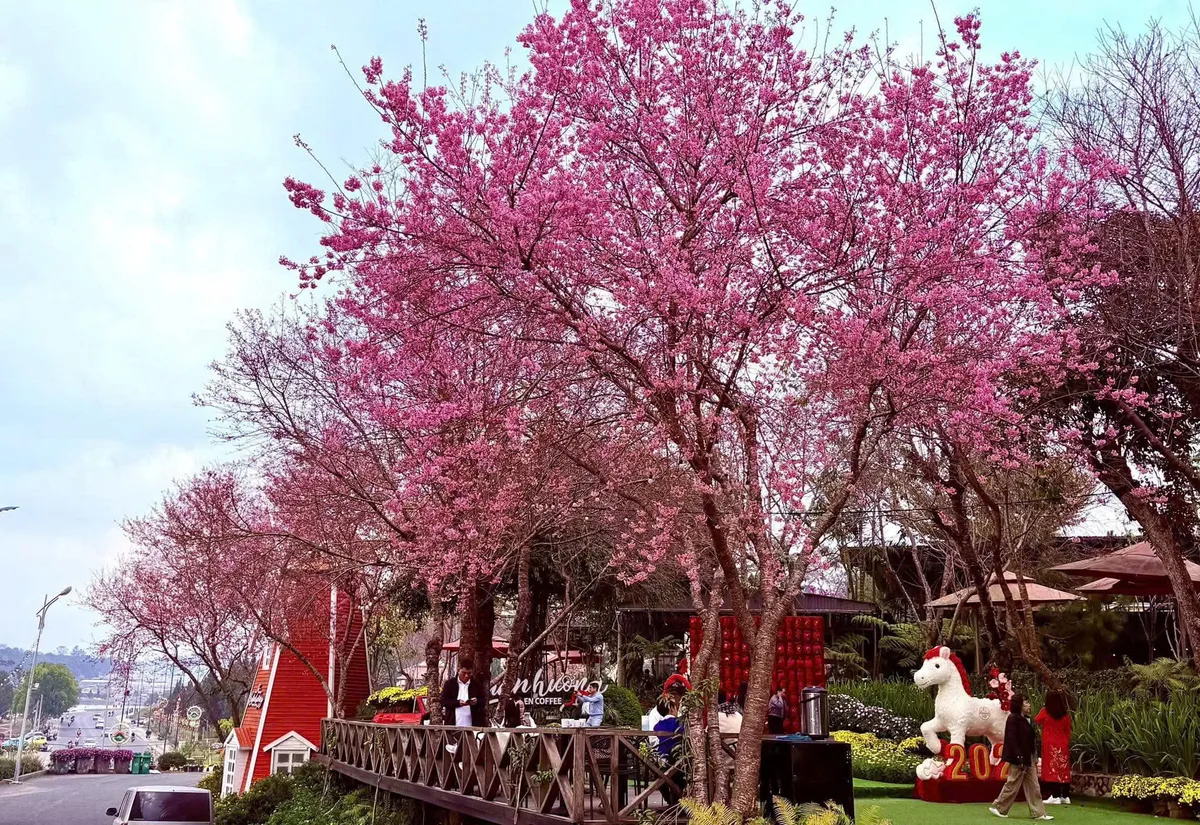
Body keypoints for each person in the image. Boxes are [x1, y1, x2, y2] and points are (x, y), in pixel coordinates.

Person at [991, 693, 1053, 821]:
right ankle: (1000, 807)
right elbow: (1011, 739)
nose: (1028, 705)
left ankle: (1038, 812)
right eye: (1026, 703)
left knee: (1033, 785)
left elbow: (1030, 739)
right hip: (1019, 757)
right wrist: (1019, 757)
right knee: (1013, 782)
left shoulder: (1026, 719)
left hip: (1028, 756)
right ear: (1019, 705)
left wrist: (1034, 756)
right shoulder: (1013, 719)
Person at [1037, 691, 1073, 805]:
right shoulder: (1065, 715)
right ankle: (1065, 796)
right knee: (1063, 769)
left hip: (1049, 744)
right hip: (1063, 744)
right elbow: (1068, 730)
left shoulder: (1045, 712)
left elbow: (1037, 720)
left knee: (1051, 769)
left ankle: (1055, 795)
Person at [439, 658, 489, 727]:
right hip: (453, 725)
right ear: (458, 670)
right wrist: (457, 703)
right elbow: (444, 701)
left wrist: (476, 701)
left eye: (469, 673)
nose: (466, 676)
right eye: (464, 673)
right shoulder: (450, 684)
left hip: (473, 725)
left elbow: (483, 701)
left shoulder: (476, 684)